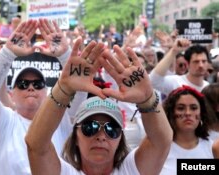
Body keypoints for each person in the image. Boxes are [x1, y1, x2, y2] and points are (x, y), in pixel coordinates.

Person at [25, 36, 173, 174]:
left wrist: (148, 98)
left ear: (120, 138)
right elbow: (36, 145)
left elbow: (161, 142)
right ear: (75, 136)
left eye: (112, 129)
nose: (101, 136)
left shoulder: (131, 171)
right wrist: (63, 89)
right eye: (90, 127)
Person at [0, 19, 78, 175]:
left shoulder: (60, 120)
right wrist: (7, 54)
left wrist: (65, 55)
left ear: (47, 93)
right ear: (12, 94)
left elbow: (77, 92)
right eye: (23, 84)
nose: (31, 87)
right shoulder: (4, 121)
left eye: (37, 84)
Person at [160, 85, 219, 175]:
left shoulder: (213, 148)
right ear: (171, 113)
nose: (188, 113)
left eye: (193, 108)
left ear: (201, 113)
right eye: (180, 108)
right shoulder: (158, 149)